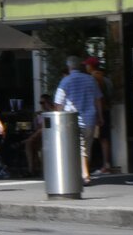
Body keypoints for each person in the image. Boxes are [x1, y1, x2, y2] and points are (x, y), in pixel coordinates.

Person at [54, 55, 103, 186]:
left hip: (72, 119)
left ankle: (84, 175)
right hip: (90, 118)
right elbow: (98, 99)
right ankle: (84, 172)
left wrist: (58, 118)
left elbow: (58, 103)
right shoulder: (90, 80)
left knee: (80, 147)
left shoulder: (66, 81)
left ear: (69, 67)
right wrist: (100, 116)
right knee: (87, 146)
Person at [84, 57, 114, 174]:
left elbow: (98, 97)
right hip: (106, 109)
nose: (86, 67)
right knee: (104, 138)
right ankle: (106, 164)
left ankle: (106, 165)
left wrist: (98, 114)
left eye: (87, 65)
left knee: (103, 138)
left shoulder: (95, 78)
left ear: (91, 66)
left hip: (100, 111)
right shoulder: (105, 77)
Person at [23, 94, 54, 177]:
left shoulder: (52, 112)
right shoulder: (40, 114)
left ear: (48, 102)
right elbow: (37, 127)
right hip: (40, 137)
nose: (41, 105)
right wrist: (36, 118)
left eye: (43, 102)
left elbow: (45, 128)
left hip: (49, 137)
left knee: (31, 141)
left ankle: (35, 169)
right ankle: (31, 169)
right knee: (29, 144)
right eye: (40, 103)